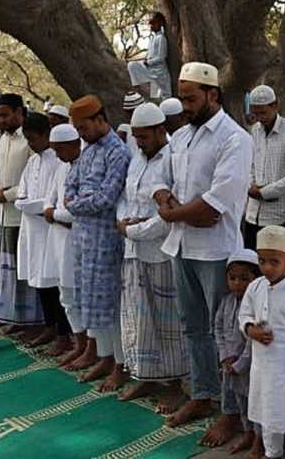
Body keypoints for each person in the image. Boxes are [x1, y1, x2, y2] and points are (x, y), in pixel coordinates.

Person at [152, 62, 253, 427]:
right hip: (182, 247)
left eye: (191, 98)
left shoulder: (235, 138)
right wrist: (172, 208)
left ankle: (229, 411)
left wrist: (174, 212)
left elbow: (217, 201)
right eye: (182, 98)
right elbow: (161, 182)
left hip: (216, 251)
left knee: (224, 332)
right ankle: (202, 395)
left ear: (213, 95)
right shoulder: (181, 137)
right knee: (193, 327)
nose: (185, 106)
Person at [116, 104, 188, 403]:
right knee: (137, 318)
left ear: (161, 131)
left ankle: (174, 385)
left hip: (160, 252)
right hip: (132, 252)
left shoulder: (173, 161)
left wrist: (134, 230)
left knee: (167, 322)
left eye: (144, 137)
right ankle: (144, 376)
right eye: (136, 137)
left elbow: (171, 213)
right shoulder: (135, 160)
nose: (140, 142)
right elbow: (124, 197)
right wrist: (122, 221)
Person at [64, 94, 131, 387]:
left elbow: (106, 197)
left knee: (110, 304)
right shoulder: (88, 150)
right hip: (82, 238)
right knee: (89, 301)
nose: (80, 134)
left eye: (83, 128)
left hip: (105, 239)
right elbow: (70, 186)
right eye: (77, 129)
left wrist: (77, 203)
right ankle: (103, 357)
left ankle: (120, 363)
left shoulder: (118, 151)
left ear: (100, 120)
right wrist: (79, 199)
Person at [240, 226, 285, 459]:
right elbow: (244, 314)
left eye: (274, 261)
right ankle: (271, 453)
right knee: (268, 417)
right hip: (262, 371)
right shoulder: (255, 287)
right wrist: (251, 330)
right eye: (262, 261)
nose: (267, 268)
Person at [0, 94, 42, 333]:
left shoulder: (29, 140)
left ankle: (32, 322)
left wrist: (8, 195)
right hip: (3, 215)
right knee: (9, 270)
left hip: (23, 214)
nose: (0, 119)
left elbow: (35, 179)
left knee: (25, 269)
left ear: (19, 113)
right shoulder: (0, 139)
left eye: (5, 114)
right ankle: (14, 318)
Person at [15, 114, 68, 349]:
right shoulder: (32, 162)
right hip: (31, 229)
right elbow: (21, 195)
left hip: (50, 231)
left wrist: (32, 205)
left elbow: (51, 201)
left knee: (54, 283)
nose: (30, 144)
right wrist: (29, 204)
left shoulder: (59, 162)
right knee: (38, 280)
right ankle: (49, 327)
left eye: (33, 139)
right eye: (27, 139)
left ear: (46, 135)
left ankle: (63, 335)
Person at [199, 249, 259, 453]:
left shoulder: (258, 306)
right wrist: (225, 356)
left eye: (245, 278)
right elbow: (218, 328)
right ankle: (246, 432)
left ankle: (257, 437)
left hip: (249, 367)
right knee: (238, 400)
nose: (237, 283)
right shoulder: (226, 302)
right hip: (229, 364)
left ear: (256, 280)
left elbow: (253, 342)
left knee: (254, 402)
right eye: (232, 278)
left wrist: (240, 364)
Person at [244, 85, 285, 250]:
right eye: (255, 114)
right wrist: (250, 187)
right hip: (252, 215)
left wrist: (265, 192)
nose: (259, 118)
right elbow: (250, 165)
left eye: (263, 113)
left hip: (280, 216)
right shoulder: (254, 131)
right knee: (251, 267)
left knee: (276, 269)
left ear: (275, 105)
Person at [46, 124, 86, 362]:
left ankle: (90, 348)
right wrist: (55, 214)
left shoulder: (86, 169)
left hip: (79, 241)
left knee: (82, 295)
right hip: (59, 240)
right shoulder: (61, 168)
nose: (58, 155)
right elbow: (48, 203)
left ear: (74, 145)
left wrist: (55, 215)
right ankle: (79, 343)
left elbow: (77, 214)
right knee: (66, 295)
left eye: (60, 149)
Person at [146, 12, 173, 100]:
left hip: (160, 73)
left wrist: (148, 62)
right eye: (151, 24)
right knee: (155, 97)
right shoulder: (152, 38)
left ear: (159, 23)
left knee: (165, 97)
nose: (151, 26)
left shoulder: (161, 38)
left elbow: (161, 57)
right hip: (152, 73)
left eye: (154, 23)